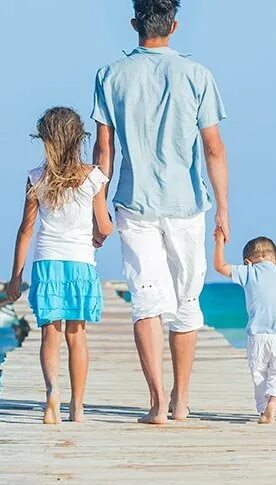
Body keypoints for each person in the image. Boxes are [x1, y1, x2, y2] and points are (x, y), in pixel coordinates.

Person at [91, 0, 231, 425]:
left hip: (134, 202)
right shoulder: (197, 75)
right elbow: (213, 148)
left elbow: (103, 150)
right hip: (187, 203)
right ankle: (182, 400)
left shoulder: (110, 75)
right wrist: (223, 210)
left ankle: (156, 402)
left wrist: (98, 208)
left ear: (135, 23)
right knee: (187, 300)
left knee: (146, 302)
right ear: (174, 25)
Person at [5, 107, 115, 425]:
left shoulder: (36, 177)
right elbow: (105, 226)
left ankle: (52, 390)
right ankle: (77, 407)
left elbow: (26, 230)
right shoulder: (93, 177)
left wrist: (16, 276)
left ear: (46, 140)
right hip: (80, 262)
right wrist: (98, 234)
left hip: (47, 262)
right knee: (76, 336)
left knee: (49, 334)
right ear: (79, 138)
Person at [213, 232, 276, 424]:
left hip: (256, 339)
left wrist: (219, 241)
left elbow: (219, 267)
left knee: (259, 375)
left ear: (247, 261)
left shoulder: (249, 272)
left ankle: (263, 410)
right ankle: (274, 401)